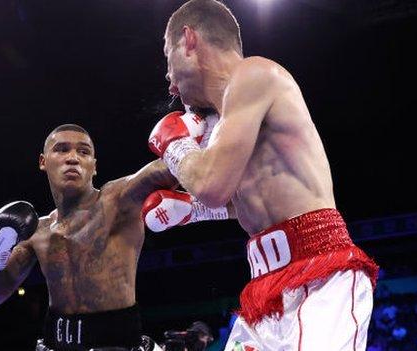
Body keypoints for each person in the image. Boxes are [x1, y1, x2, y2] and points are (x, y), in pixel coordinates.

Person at [144, 0, 379, 350]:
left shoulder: (254, 74)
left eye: (167, 55)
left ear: (189, 40)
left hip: (319, 276)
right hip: (265, 289)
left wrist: (175, 146)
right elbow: (249, 197)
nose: (168, 76)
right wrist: (193, 211)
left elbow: (210, 184)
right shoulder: (224, 122)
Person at [0, 124, 233, 351]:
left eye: (83, 152)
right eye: (62, 149)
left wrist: (206, 131)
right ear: (43, 161)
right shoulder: (37, 231)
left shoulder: (118, 200)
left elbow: (168, 168)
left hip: (119, 343)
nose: (72, 159)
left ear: (94, 166)